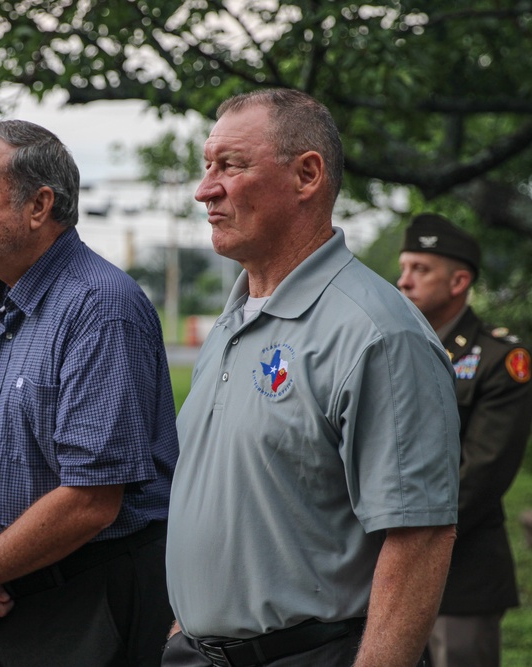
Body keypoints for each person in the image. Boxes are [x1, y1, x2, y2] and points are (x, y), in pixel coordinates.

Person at [164, 88, 460, 667]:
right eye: (207, 167)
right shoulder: (231, 325)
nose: (205, 189)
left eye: (232, 165)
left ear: (306, 175)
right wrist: (186, 628)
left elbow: (419, 540)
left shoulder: (376, 333)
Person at [0, 120, 179, 667]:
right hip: (0, 599)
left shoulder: (101, 307)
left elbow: (92, 499)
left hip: (87, 604)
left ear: (39, 205)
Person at [398, 213, 532, 667]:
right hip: (380, 576)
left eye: (421, 269)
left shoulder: (501, 359)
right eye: (404, 268)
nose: (404, 281)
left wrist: (401, 532)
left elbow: (482, 472)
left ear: (458, 282)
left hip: (461, 575)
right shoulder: (395, 348)